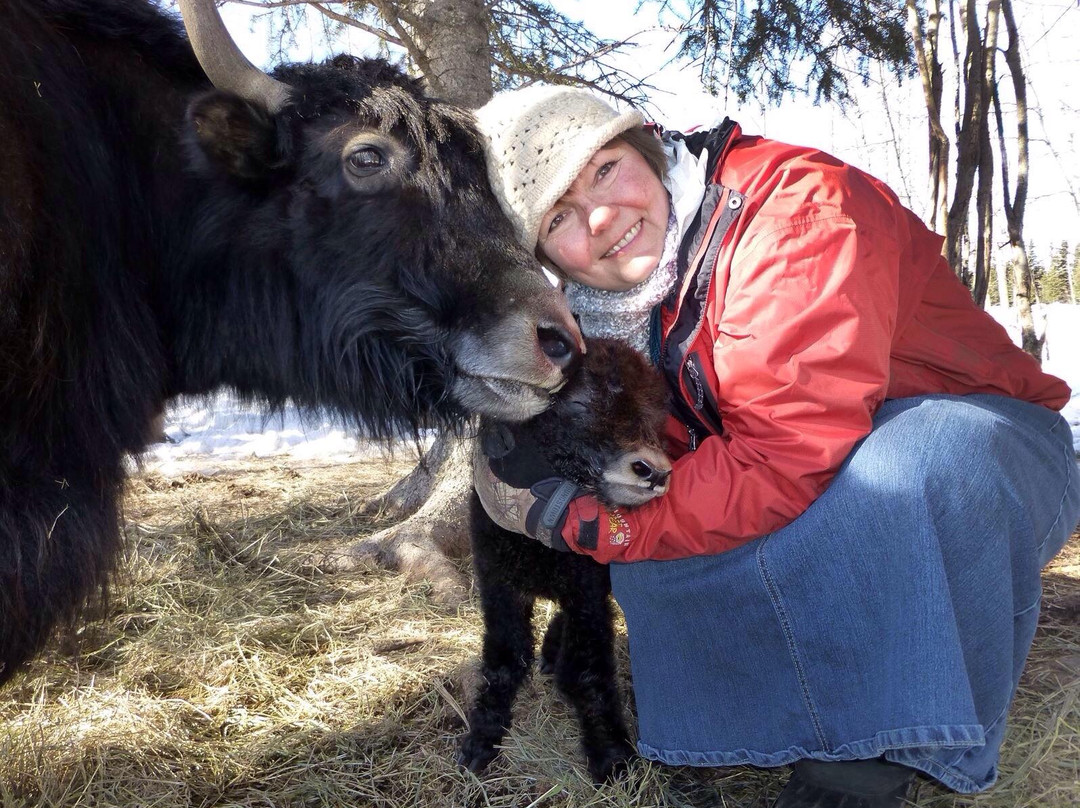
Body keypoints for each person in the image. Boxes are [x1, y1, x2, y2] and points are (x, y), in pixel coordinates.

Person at [470, 85, 1080, 808]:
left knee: (903, 466)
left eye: (604, 170)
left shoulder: (796, 212)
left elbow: (779, 454)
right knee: (658, 515)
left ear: (648, 147)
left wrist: (586, 522)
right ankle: (773, 717)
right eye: (560, 217)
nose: (601, 220)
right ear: (544, 256)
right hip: (829, 472)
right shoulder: (600, 315)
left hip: (984, 455)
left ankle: (879, 751)